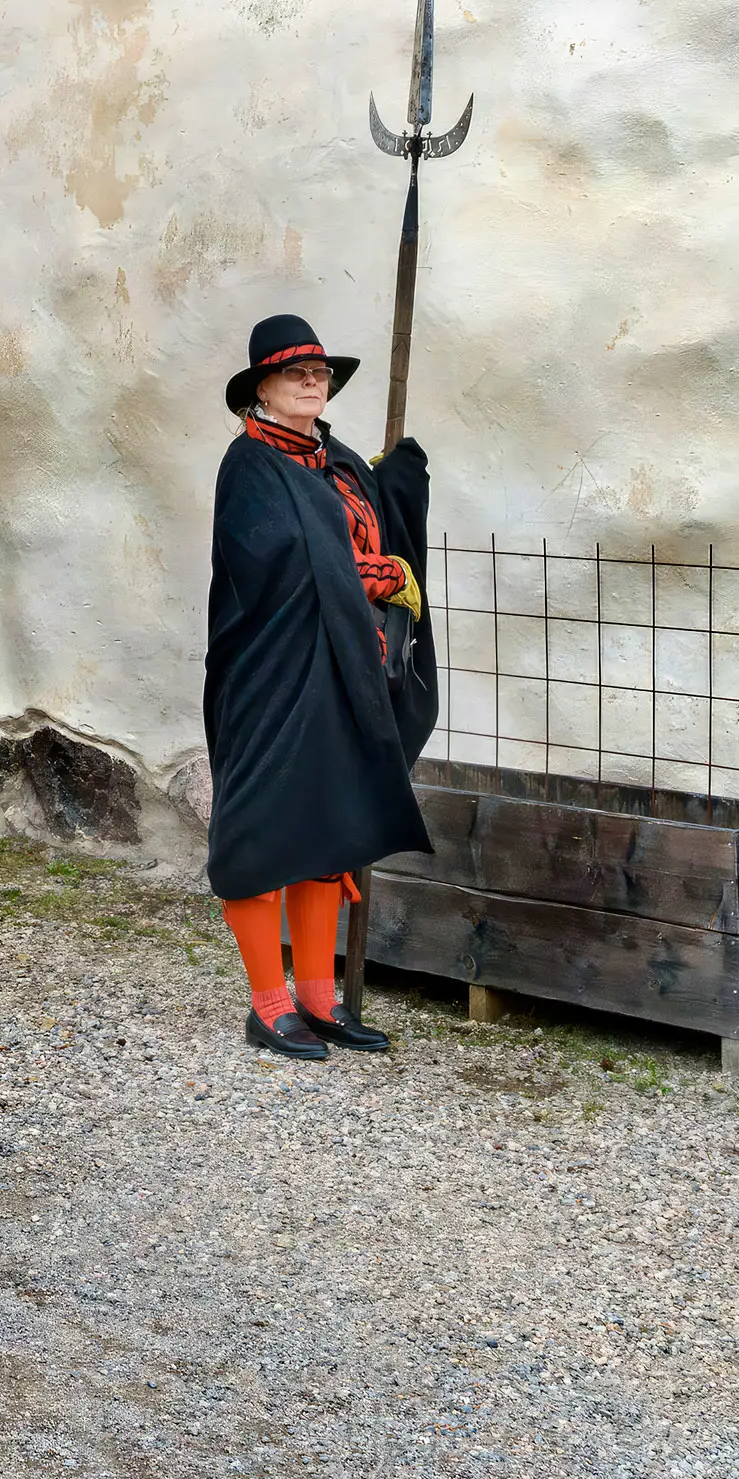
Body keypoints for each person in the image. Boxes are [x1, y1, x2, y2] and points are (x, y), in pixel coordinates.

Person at [204, 314, 437, 1061]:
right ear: (262, 389)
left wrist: (394, 482)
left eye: (320, 374)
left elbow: (364, 529)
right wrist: (388, 575)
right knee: (264, 823)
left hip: (346, 666)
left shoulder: (334, 459)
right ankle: (268, 1007)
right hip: (271, 671)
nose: (312, 383)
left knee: (327, 829)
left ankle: (317, 999)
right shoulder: (251, 468)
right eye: (296, 374)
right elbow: (294, 564)